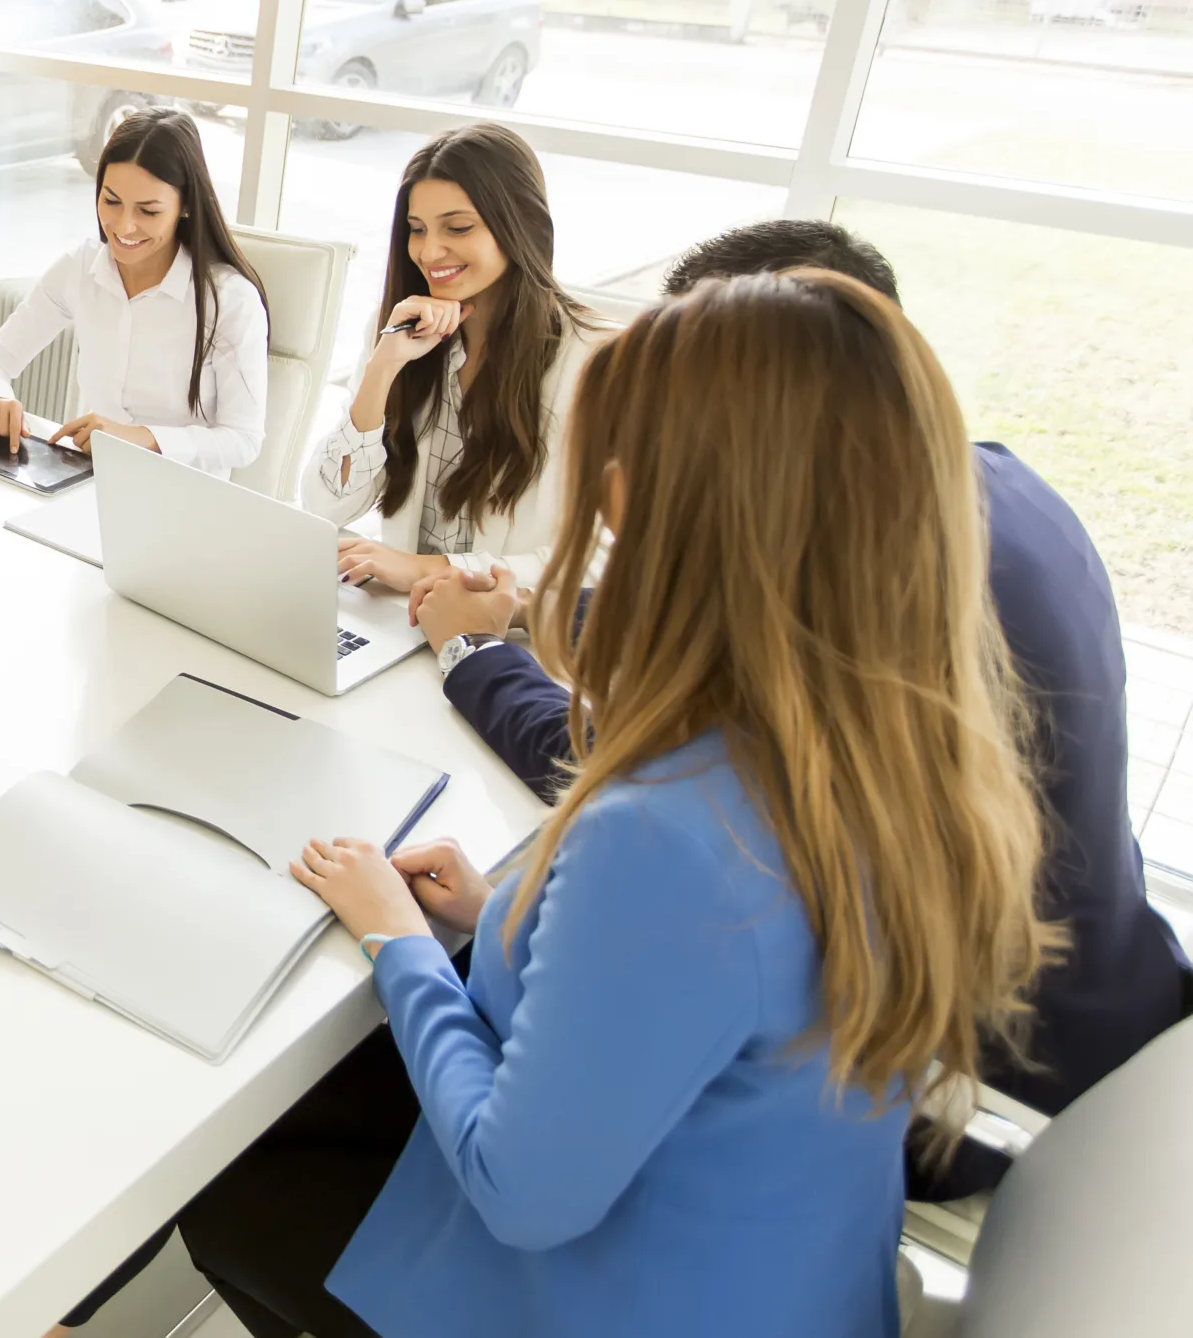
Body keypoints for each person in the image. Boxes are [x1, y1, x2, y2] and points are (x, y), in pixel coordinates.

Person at [94, 269, 1055, 1338]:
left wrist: (398, 936)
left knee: (232, 1184)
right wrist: (500, 916)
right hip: (783, 1272)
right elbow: (712, 998)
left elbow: (520, 1192)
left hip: (623, 1295)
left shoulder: (669, 837)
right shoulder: (890, 746)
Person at [410, 218, 1193, 1197]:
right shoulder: (979, 487)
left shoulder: (833, 614)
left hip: (953, 1091)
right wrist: (535, 605)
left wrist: (473, 652)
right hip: (1114, 1010)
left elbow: (645, 761)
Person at [302, 122, 600, 588]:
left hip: (505, 636)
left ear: (520, 225)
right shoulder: (402, 329)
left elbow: (601, 561)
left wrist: (430, 569)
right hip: (398, 617)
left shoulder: (593, 360)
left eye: (458, 228)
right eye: (416, 230)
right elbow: (326, 504)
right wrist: (383, 369)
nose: (429, 251)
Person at [0, 108, 269, 475]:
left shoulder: (228, 300)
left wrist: (141, 437)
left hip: (185, 500)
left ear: (186, 206)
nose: (124, 226)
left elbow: (243, 439)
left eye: (148, 211)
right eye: (111, 202)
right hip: (90, 482)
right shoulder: (81, 268)